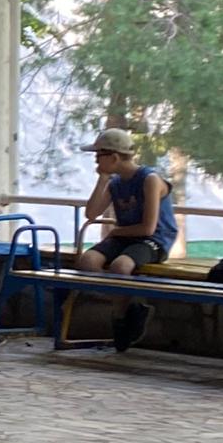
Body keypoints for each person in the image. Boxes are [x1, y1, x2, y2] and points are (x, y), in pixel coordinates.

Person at [75, 128, 178, 352]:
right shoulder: (115, 182)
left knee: (120, 266)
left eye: (99, 156)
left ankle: (120, 318)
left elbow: (148, 227)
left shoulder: (149, 179)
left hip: (153, 239)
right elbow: (91, 214)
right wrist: (102, 180)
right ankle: (132, 306)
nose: (96, 161)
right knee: (88, 261)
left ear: (114, 157)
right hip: (125, 236)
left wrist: (115, 233)